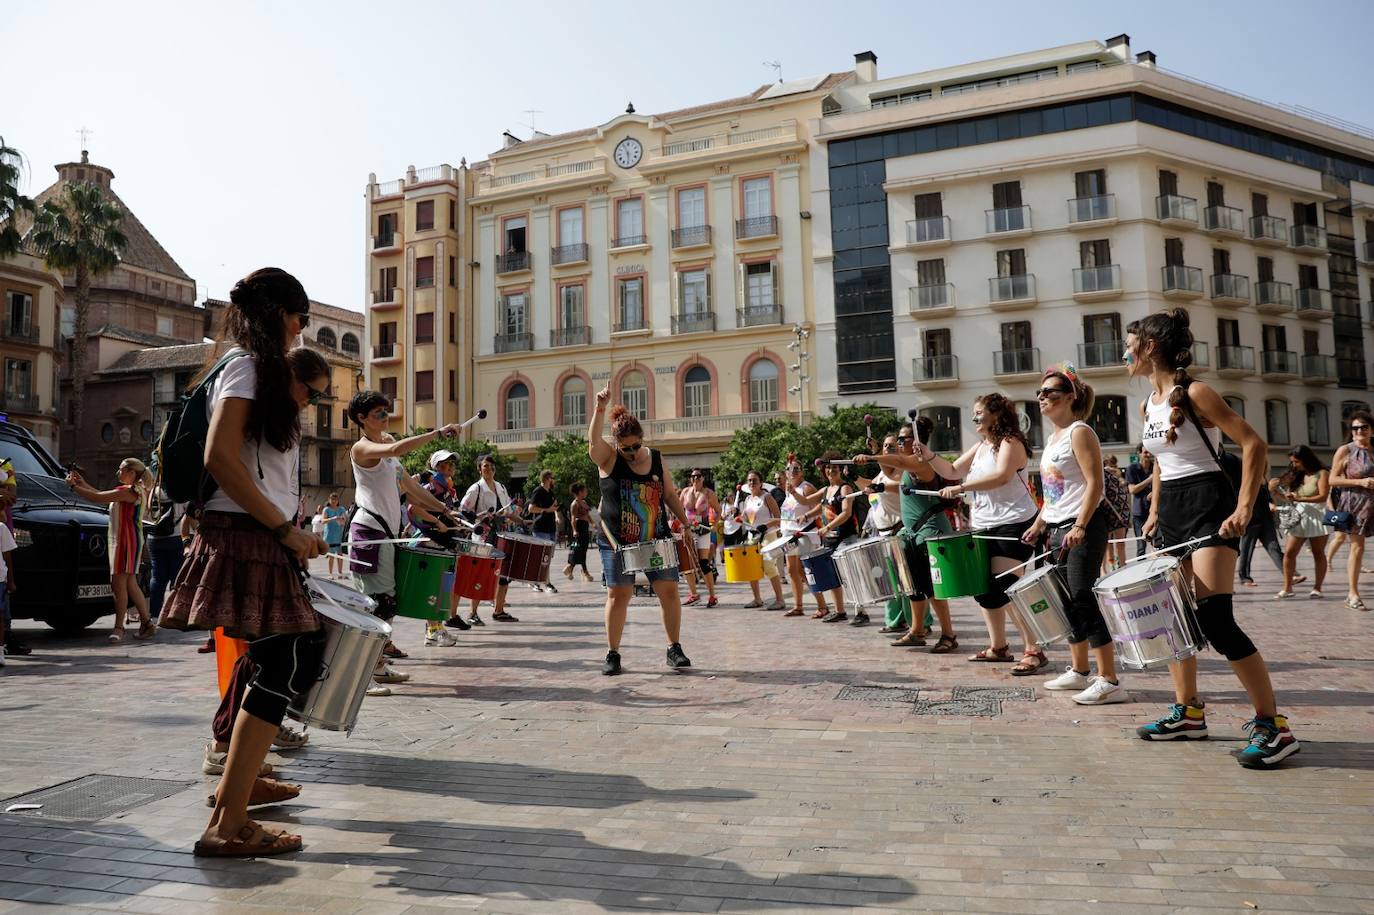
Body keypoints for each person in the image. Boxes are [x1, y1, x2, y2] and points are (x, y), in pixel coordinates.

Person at [158, 268, 331, 856]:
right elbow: (220, 457)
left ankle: (238, 792)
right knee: (282, 664)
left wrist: (293, 529)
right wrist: (283, 528)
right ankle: (229, 822)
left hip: (259, 534)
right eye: (301, 317)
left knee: (274, 663)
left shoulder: (254, 369)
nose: (301, 329)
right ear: (282, 314)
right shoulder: (247, 367)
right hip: (250, 536)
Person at [1128, 308, 1299, 768]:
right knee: (1175, 619)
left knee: (1216, 621)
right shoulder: (1150, 403)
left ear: (1148, 347)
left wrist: (1244, 507)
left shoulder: (1195, 392)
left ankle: (1273, 727)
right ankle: (1187, 714)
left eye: (1131, 343)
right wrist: (1156, 512)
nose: (1126, 352)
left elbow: (1253, 443)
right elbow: (1162, 463)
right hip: (1174, 514)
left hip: (1208, 503)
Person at [916, 394, 1045, 675]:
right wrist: (929, 455)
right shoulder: (982, 446)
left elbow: (1001, 477)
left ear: (996, 415)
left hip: (1014, 522)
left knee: (1005, 587)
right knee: (984, 589)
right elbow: (951, 470)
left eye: (979, 414)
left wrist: (962, 489)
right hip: (985, 525)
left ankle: (1034, 650)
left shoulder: (1010, 442)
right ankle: (998, 647)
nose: (974, 419)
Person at [1022, 364, 1128, 705]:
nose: (1042, 397)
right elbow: (1056, 493)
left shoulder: (1079, 432)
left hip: (1081, 526)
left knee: (1084, 597)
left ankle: (1108, 678)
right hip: (1056, 527)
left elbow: (1094, 484)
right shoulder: (1053, 438)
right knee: (1065, 600)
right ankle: (1080, 670)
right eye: (1040, 392)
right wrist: (1040, 522)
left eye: (1050, 392)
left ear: (1070, 397)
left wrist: (1080, 525)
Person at [347, 392, 464, 669]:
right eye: (378, 413)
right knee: (378, 602)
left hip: (386, 534)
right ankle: (368, 669)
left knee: (388, 602)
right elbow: (396, 449)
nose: (385, 417)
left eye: (385, 412)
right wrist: (437, 433)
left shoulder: (390, 458)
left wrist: (445, 510)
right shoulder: (361, 449)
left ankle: (376, 664)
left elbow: (412, 490)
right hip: (369, 532)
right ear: (362, 419)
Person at [588, 388, 694, 675]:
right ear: (617, 444)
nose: (633, 453)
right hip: (616, 540)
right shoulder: (608, 458)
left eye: (636, 446)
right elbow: (593, 442)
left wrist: (685, 522)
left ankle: (674, 648)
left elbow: (670, 495)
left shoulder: (656, 458)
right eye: (627, 448)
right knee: (619, 594)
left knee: (669, 591)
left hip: (655, 537)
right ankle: (612, 653)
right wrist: (600, 408)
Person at [855, 418, 958, 652]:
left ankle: (949, 634)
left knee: (933, 588)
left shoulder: (921, 462)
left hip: (929, 530)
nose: (900, 442)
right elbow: (897, 483)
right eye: (898, 439)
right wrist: (880, 485)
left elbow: (898, 461)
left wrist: (871, 457)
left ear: (917, 441)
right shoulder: (906, 470)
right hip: (912, 533)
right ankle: (916, 631)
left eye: (904, 439)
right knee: (913, 586)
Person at [66, 458, 156, 644]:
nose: (118, 473)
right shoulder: (133, 490)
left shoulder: (128, 491)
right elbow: (101, 494)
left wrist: (73, 487)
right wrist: (83, 484)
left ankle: (119, 627)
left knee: (118, 584)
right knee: (130, 583)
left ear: (132, 473)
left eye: (121, 470)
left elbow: (98, 498)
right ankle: (147, 623)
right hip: (128, 540)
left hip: (125, 541)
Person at [784, 451, 855, 623]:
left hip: (845, 536)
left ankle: (860, 611)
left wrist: (828, 526)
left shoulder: (845, 488)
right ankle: (840, 611)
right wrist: (793, 492)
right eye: (828, 468)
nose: (831, 471)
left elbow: (846, 512)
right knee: (834, 576)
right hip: (830, 538)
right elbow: (805, 501)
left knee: (850, 576)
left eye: (835, 468)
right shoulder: (825, 491)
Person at [855, 433, 911, 635]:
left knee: (908, 582)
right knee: (891, 583)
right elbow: (870, 486)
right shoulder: (881, 475)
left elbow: (890, 481)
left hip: (899, 531)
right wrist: (853, 476)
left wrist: (874, 453)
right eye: (886, 446)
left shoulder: (901, 470)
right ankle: (895, 621)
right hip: (884, 534)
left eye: (892, 447)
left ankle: (918, 623)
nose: (888, 449)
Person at [459, 453, 522, 625]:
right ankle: (472, 613)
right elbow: (463, 511)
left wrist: (521, 520)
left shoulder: (500, 487)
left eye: (491, 466)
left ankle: (499, 610)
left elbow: (508, 510)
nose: (489, 468)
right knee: (481, 575)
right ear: (479, 469)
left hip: (502, 535)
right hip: (484, 537)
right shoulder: (476, 489)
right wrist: (479, 517)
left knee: (504, 574)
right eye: (485, 465)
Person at [1328, 411, 1374, 611]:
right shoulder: (1345, 450)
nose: (1359, 431)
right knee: (1357, 547)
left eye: (1363, 427)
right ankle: (1352, 593)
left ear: (1372, 430)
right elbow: (1332, 480)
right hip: (1354, 504)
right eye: (1355, 428)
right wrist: (1360, 481)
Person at [1269, 446, 1329, 599]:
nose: (1294, 465)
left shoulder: (1322, 473)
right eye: (1292, 462)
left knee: (1318, 553)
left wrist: (1298, 498)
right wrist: (1274, 492)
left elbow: (1323, 496)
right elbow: (1289, 499)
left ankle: (1317, 588)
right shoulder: (1296, 476)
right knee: (1289, 553)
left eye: (1296, 462)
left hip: (1317, 517)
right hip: (1298, 517)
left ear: (1305, 460)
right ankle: (1287, 588)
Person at [777, 458, 829, 619]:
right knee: (792, 571)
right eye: (789, 469)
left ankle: (822, 605)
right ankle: (798, 606)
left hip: (804, 534)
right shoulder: (788, 491)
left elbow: (821, 508)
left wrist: (807, 516)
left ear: (802, 471)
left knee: (806, 570)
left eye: (796, 468)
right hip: (789, 536)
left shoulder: (806, 488)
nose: (793, 471)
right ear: (786, 473)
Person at [739, 471, 786, 611]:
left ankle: (780, 600)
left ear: (761, 483)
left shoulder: (767, 497)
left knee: (769, 566)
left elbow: (779, 518)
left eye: (755, 480)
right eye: (749, 480)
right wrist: (738, 518)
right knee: (751, 566)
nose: (752, 483)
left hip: (768, 535)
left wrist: (765, 526)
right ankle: (757, 599)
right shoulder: (748, 499)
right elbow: (745, 518)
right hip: (752, 536)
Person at [145, 487, 190, 625]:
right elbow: (189, 513)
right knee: (177, 579)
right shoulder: (179, 489)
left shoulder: (153, 489)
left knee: (157, 578)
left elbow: (147, 511)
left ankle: (154, 615)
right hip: (176, 537)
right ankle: (174, 614)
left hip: (154, 538)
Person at [680, 469, 720, 608]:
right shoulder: (685, 492)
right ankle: (694, 594)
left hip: (703, 530)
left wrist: (714, 524)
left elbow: (718, 510)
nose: (695, 479)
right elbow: (678, 509)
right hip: (688, 530)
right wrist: (679, 525)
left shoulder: (709, 493)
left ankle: (712, 596)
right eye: (693, 477)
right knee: (687, 564)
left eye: (698, 476)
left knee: (703, 564)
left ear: (703, 478)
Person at [1237, 484, 1286, 588]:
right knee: (1246, 550)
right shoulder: (1243, 478)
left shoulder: (1263, 478)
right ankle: (1245, 577)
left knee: (1274, 547)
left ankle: (1290, 573)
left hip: (1266, 519)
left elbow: (1267, 498)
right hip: (1251, 521)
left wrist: (1271, 503)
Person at [526, 470, 559, 594]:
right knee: (540, 556)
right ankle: (542, 582)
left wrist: (556, 513)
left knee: (547, 557)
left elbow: (553, 507)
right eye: (553, 478)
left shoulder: (550, 492)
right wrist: (547, 510)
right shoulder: (538, 491)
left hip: (551, 528)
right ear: (547, 478)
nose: (554, 480)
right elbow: (531, 509)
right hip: (540, 527)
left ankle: (542, 581)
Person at [1124, 448, 1154, 558]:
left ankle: (1156, 572)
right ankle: (1142, 572)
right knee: (1141, 545)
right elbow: (1132, 490)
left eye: (1150, 452)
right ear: (1139, 453)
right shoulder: (1132, 468)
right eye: (1145, 452)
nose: (1148, 454)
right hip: (1140, 512)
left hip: (1154, 511)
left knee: (1157, 543)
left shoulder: (1156, 466)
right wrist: (1149, 480)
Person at [1102, 455, 1129, 573]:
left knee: (1120, 543)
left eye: (1113, 464)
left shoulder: (1117, 474)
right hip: (1106, 511)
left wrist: (1115, 472)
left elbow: (1123, 483)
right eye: (1109, 463)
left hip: (1120, 511)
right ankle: (1106, 569)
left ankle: (1122, 567)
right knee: (1106, 545)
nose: (1111, 466)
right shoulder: (1102, 474)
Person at [563, 483, 594, 581]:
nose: (586, 492)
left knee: (583, 550)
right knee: (580, 550)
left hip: (585, 527)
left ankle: (570, 569)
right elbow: (573, 519)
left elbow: (589, 515)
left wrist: (594, 524)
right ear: (580, 492)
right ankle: (584, 571)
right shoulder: (574, 504)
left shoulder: (584, 502)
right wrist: (575, 530)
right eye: (585, 490)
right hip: (579, 527)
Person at [0, 518, 16, 667]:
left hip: (0, 579)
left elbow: (7, 556)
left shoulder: (1, 528)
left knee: (1, 615)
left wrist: (10, 580)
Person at [322, 492, 348, 578]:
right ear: (329, 500)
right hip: (329, 534)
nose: (333, 501)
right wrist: (333, 518)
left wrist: (341, 520)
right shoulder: (326, 509)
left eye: (335, 499)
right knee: (331, 555)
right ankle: (330, 573)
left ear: (338, 500)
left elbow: (345, 520)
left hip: (339, 534)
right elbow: (323, 521)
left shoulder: (341, 509)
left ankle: (340, 573)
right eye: (332, 499)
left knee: (340, 554)